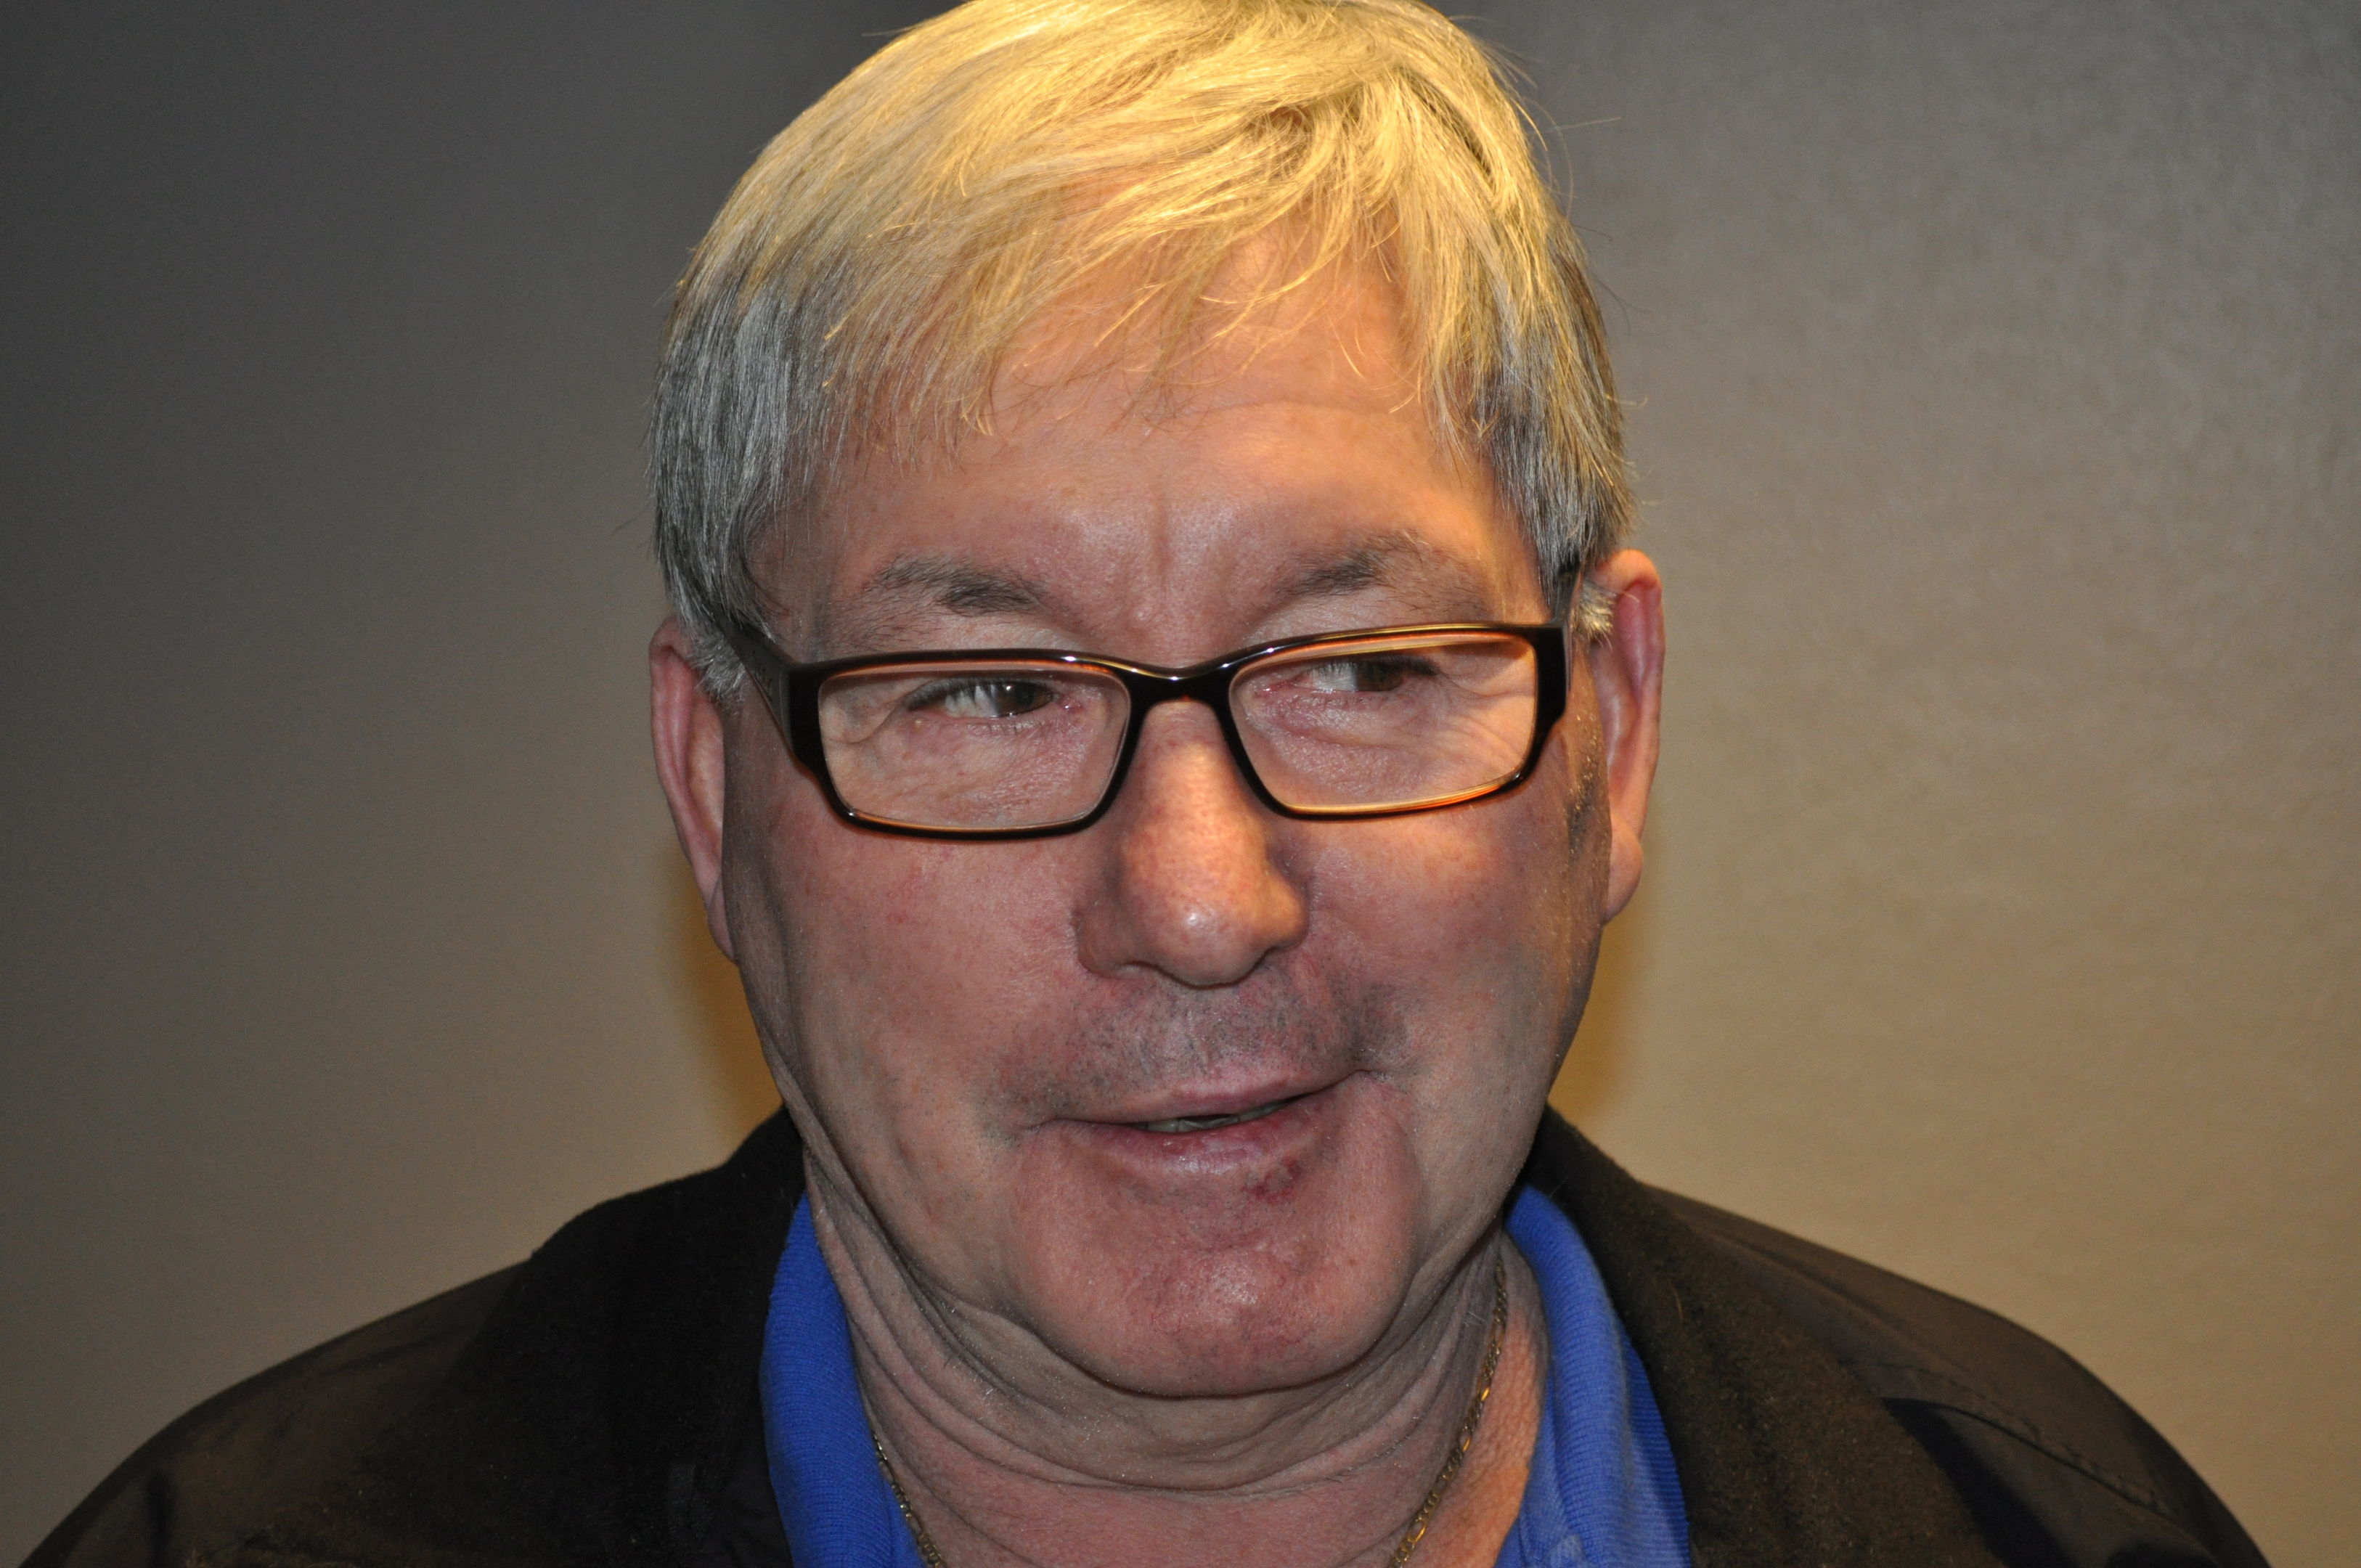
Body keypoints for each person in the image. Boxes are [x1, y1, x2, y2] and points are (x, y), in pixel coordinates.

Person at [28, 2, 2267, 1566]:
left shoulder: (2052, 1531)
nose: (1198, 903)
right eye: (987, 695)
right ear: (714, 797)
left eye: (1358, 669)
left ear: (1613, 737)